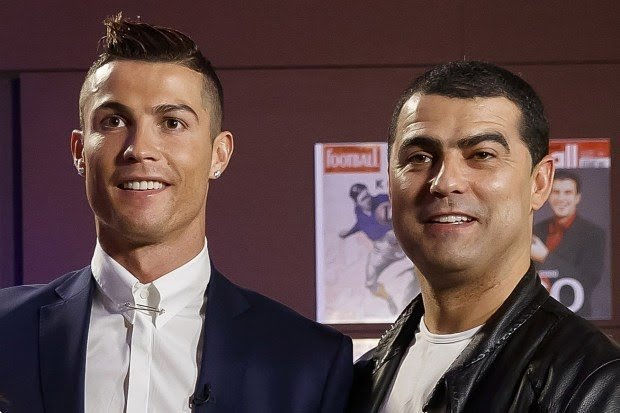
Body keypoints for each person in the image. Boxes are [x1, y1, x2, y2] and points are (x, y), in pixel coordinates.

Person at [0, 15, 352, 413]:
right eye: (114, 121)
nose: (139, 148)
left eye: (172, 122)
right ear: (80, 152)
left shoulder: (308, 361)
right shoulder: (5, 329)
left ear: (219, 154)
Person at [348, 61, 619, 412]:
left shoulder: (593, 380)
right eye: (420, 157)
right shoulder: (360, 379)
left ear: (539, 183)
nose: (445, 182)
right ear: (390, 181)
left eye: (482, 155)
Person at [532, 170, 606, 317]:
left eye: (567, 192)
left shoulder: (594, 234)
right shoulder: (535, 229)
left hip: (577, 318)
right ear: (548, 196)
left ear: (577, 198)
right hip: (538, 317)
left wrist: (545, 257)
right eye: (556, 192)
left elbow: (587, 281)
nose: (561, 198)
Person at [339, 183, 417, 314]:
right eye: (363, 198)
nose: (368, 199)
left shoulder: (382, 199)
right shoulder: (358, 212)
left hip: (399, 242)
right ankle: (389, 300)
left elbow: (404, 206)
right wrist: (348, 233)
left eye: (368, 194)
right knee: (370, 283)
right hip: (381, 249)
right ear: (357, 203)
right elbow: (361, 224)